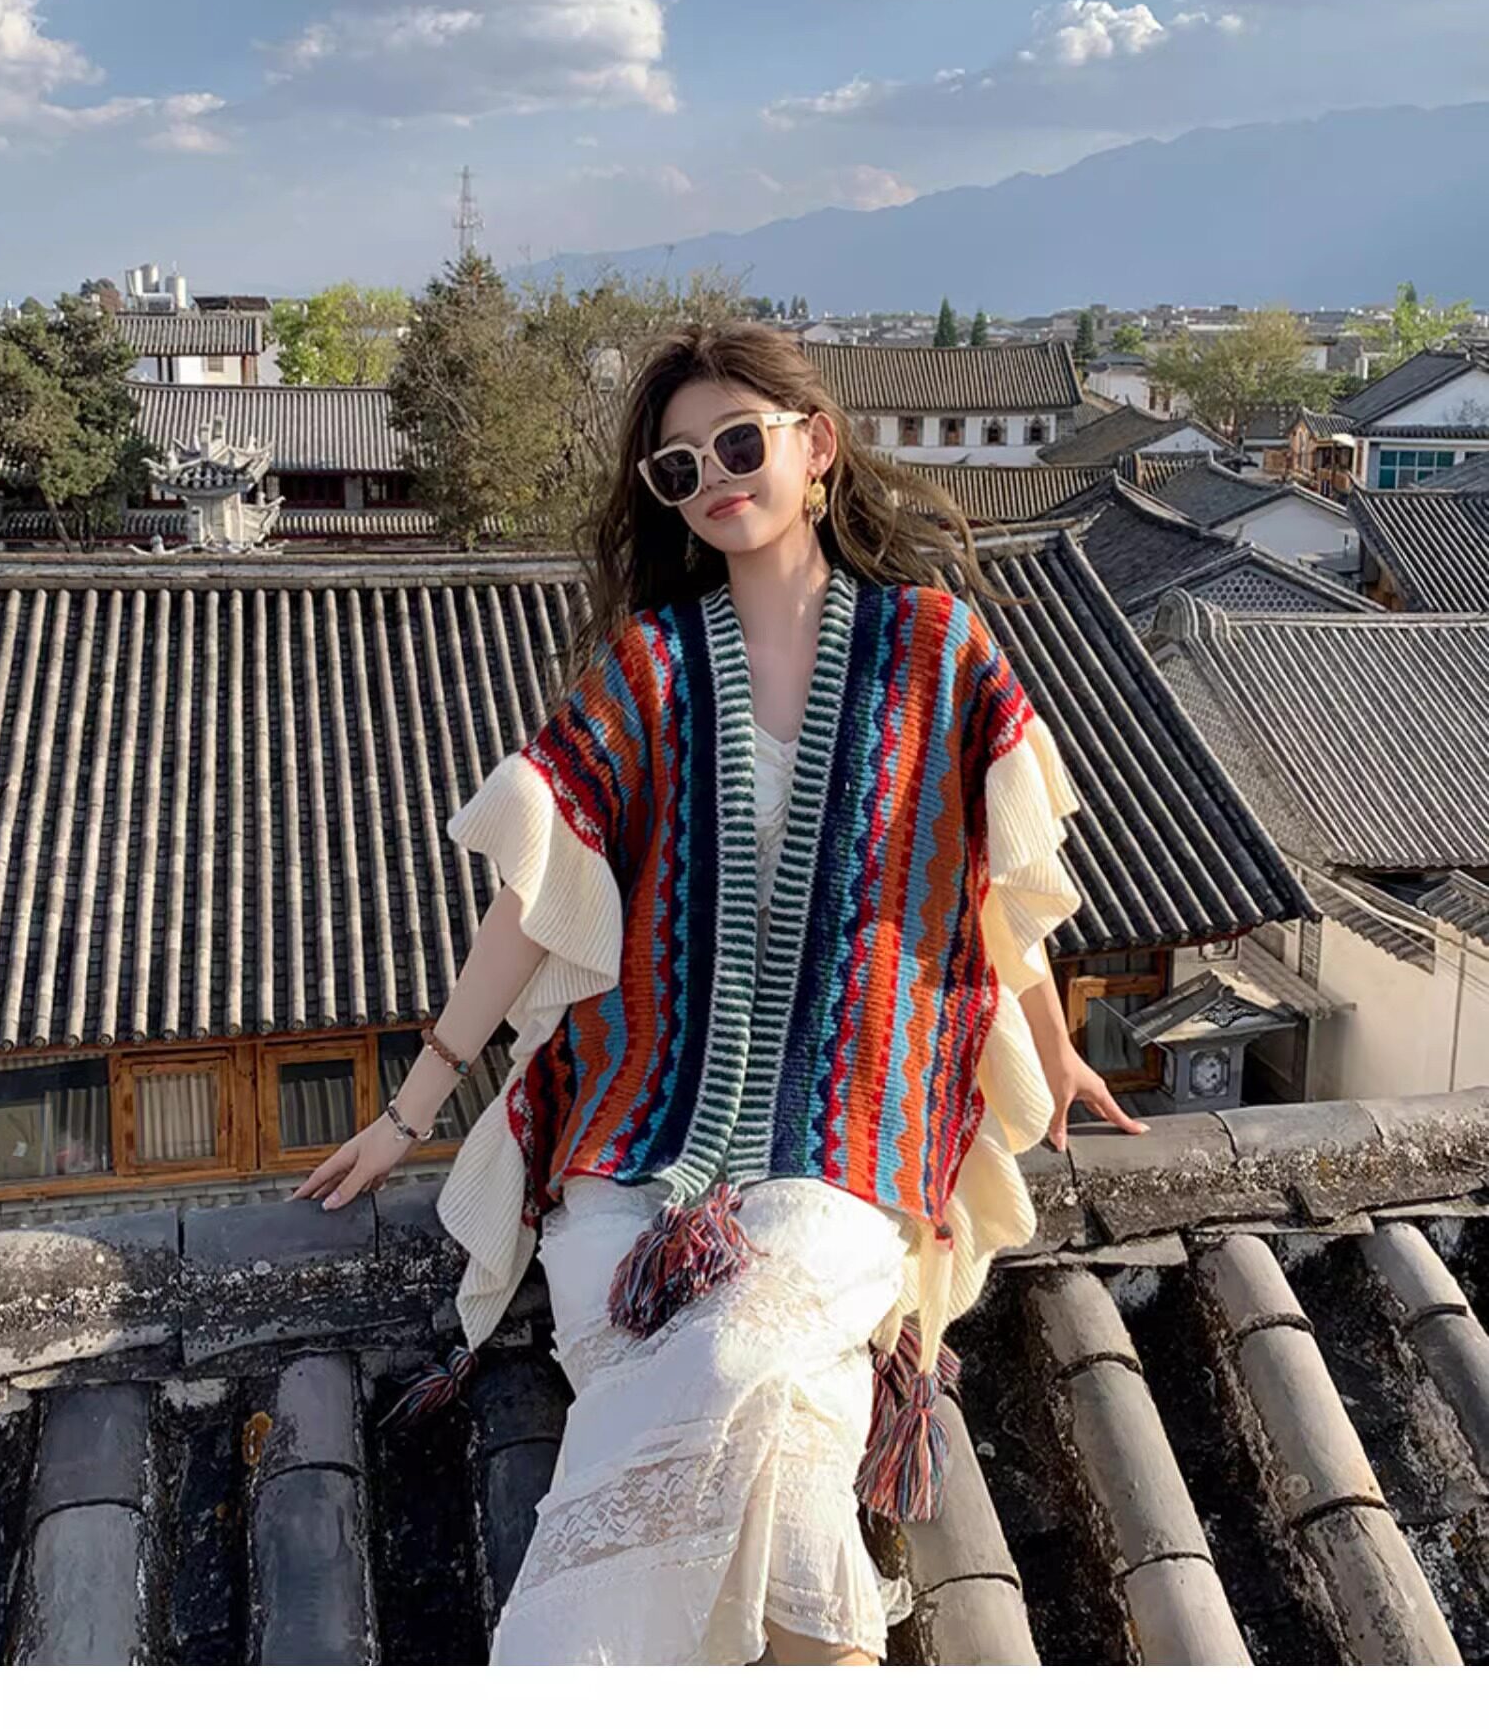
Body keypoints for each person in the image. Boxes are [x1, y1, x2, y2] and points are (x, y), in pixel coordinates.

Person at [294, 319, 1147, 1666]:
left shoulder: (937, 649)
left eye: (740, 444)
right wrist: (413, 1107)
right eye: (679, 468)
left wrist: (1057, 1046)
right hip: (631, 1153)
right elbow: (533, 895)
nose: (714, 480)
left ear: (818, 446)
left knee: (742, 1351)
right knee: (788, 1449)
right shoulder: (650, 668)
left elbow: (997, 879)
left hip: (846, 1140)